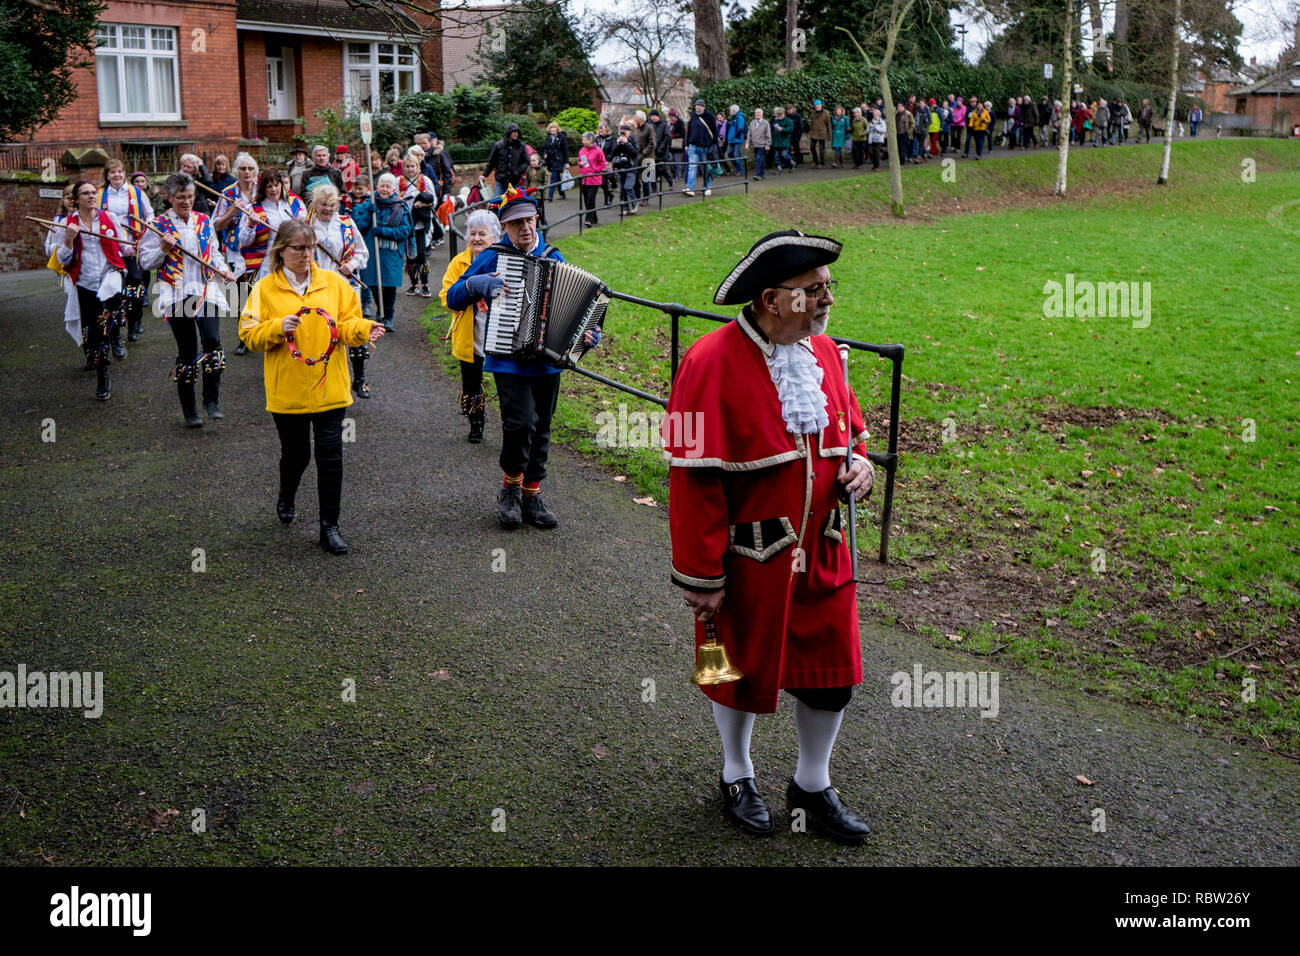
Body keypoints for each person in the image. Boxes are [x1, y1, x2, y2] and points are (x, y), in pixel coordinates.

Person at [666, 230, 874, 843]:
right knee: (731, 669)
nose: (826, 299)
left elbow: (852, 431)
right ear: (769, 298)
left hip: (827, 550)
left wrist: (858, 463)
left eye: (828, 288)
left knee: (834, 672)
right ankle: (737, 773)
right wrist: (702, 576)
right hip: (747, 559)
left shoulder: (827, 354)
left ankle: (812, 783)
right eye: (813, 291)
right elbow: (690, 477)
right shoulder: (706, 361)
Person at [444, 186, 599, 530]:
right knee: (520, 423)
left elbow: (577, 311)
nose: (525, 228)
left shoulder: (554, 257)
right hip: (506, 357)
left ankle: (532, 493)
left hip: (546, 359)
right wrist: (476, 284)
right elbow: (453, 298)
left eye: (529, 220)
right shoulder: (492, 256)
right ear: (505, 227)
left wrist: (588, 334)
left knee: (542, 426)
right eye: (516, 224)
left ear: (536, 219)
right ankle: (510, 489)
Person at [239, 220, 383, 555]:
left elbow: (345, 325)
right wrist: (277, 326)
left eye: (310, 248)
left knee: (331, 456)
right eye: (298, 249)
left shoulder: (333, 283)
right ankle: (287, 495)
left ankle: (329, 527)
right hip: (286, 391)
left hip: (330, 387)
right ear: (281, 251)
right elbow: (248, 335)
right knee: (296, 454)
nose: (306, 255)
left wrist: (363, 329)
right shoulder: (264, 289)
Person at [137, 172, 237, 426]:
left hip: (206, 289)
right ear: (169, 198)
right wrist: (163, 248)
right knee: (188, 351)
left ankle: (211, 400)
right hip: (176, 292)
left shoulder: (203, 221)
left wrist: (223, 269)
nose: (186, 201)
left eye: (190, 196)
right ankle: (190, 410)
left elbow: (212, 253)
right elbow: (145, 262)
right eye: (181, 197)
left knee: (213, 342)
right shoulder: (157, 225)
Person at [55, 179, 129, 401]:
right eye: (85, 193)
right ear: (76, 200)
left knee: (113, 314)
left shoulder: (110, 218)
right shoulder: (67, 223)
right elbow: (62, 259)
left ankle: (116, 334)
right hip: (85, 282)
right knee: (95, 334)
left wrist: (135, 247)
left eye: (93, 192)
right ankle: (102, 375)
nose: (91, 196)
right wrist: (69, 239)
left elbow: (124, 246)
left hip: (110, 275)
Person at [439, 209, 500, 443]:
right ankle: (476, 424)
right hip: (470, 335)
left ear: (494, 237)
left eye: (482, 234)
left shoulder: (503, 261)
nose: (476, 238)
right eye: (472, 233)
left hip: (498, 334)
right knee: (471, 385)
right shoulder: (459, 263)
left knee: (505, 384)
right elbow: (446, 297)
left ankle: (511, 424)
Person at [308, 184, 371, 398]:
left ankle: (360, 380)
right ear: (315, 204)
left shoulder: (346, 223)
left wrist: (351, 265)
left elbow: (362, 252)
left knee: (354, 330)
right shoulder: (306, 225)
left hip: (346, 285)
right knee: (323, 333)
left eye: (332, 204)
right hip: (316, 287)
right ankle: (322, 378)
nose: (328, 208)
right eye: (323, 204)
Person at [97, 158, 152, 355]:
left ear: (124, 173)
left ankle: (135, 320)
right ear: (107, 175)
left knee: (135, 283)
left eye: (120, 172)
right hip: (111, 248)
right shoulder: (100, 195)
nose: (117, 175)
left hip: (132, 244)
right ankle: (116, 329)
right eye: (113, 172)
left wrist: (145, 233)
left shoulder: (136, 192)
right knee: (114, 290)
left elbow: (150, 214)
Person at [212, 152, 260, 354]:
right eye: (242, 168)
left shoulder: (264, 190)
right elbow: (215, 224)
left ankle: (264, 332)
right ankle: (245, 337)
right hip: (236, 251)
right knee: (239, 295)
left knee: (260, 293)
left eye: (250, 168)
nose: (247, 172)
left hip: (260, 250)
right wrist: (232, 211)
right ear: (236, 171)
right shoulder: (228, 193)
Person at [353, 172, 411, 332]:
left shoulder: (400, 207)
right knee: (372, 282)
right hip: (372, 250)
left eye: (388, 186)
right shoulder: (367, 204)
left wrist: (383, 231)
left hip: (391, 253)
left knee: (390, 285)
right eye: (382, 185)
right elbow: (357, 226)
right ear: (376, 187)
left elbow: (405, 231)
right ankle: (380, 308)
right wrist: (367, 213)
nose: (385, 189)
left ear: (394, 189)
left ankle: (388, 317)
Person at [238, 169, 307, 284]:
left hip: (295, 259)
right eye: (269, 186)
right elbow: (244, 241)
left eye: (276, 185)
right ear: (263, 188)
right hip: (268, 262)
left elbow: (306, 228)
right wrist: (251, 225)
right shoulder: (253, 209)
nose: (274, 189)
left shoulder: (294, 203)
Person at [399, 153, 437, 297]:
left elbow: (434, 200)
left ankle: (425, 284)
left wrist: (423, 204)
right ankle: (413, 284)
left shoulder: (424, 180)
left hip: (420, 225)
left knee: (421, 256)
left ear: (418, 166)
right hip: (406, 225)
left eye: (413, 166)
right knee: (410, 257)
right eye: (407, 166)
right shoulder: (399, 181)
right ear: (403, 167)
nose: (410, 169)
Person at [483, 122, 530, 198]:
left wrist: (517, 172)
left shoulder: (521, 146)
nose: (516, 134)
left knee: (513, 204)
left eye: (517, 132)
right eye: (514, 132)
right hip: (500, 180)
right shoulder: (498, 145)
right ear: (509, 133)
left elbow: (526, 161)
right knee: (498, 203)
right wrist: (484, 175)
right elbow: (492, 162)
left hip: (514, 181)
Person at [683, 99, 717, 197]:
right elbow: (689, 131)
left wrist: (713, 146)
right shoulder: (693, 116)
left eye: (699, 106)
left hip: (705, 147)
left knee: (706, 168)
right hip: (693, 146)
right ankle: (690, 188)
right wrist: (686, 144)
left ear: (703, 107)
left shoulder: (710, 117)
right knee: (692, 167)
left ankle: (707, 187)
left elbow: (715, 132)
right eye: (696, 106)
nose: (697, 107)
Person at [610, 120, 640, 215]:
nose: (623, 134)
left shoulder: (633, 140)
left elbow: (635, 153)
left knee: (628, 187)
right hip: (621, 167)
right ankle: (625, 208)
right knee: (622, 189)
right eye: (621, 132)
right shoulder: (619, 140)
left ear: (629, 132)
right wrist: (617, 145)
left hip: (631, 167)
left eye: (625, 132)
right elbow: (613, 154)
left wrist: (627, 143)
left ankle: (634, 204)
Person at [577, 131, 606, 227]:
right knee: (586, 199)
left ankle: (588, 219)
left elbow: (603, 164)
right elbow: (579, 160)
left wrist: (595, 170)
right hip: (584, 178)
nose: (583, 141)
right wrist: (580, 164)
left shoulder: (598, 151)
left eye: (584, 139)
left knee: (590, 199)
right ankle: (594, 217)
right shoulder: (582, 150)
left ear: (590, 140)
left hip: (594, 179)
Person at [542, 121, 569, 202]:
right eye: (551, 128)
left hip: (558, 161)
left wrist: (566, 162)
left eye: (554, 128)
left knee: (553, 178)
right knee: (557, 179)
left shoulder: (562, 137)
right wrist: (545, 154)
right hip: (550, 161)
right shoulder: (548, 137)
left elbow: (565, 150)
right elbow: (545, 148)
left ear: (557, 129)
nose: (552, 130)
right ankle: (562, 194)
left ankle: (550, 196)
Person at [595, 121, 618, 208]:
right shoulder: (596, 139)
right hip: (597, 163)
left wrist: (608, 159)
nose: (600, 130)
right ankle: (610, 195)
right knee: (599, 182)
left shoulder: (611, 139)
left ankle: (606, 201)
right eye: (599, 129)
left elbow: (614, 150)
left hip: (606, 163)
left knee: (604, 182)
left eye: (602, 129)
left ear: (606, 130)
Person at [747, 107, 771, 180]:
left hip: (762, 144)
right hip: (755, 144)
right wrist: (747, 142)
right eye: (756, 113)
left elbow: (768, 134)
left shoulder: (765, 123)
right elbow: (749, 134)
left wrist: (768, 144)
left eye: (759, 113)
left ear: (762, 114)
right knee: (760, 159)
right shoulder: (752, 123)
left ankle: (757, 175)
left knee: (758, 159)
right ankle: (762, 174)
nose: (757, 114)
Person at [807, 99, 831, 169]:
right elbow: (812, 123)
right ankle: (815, 161)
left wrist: (829, 135)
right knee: (812, 147)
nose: (816, 106)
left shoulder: (826, 113)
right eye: (815, 105)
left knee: (821, 149)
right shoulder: (813, 113)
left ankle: (821, 163)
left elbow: (828, 124)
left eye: (818, 105)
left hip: (822, 133)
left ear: (821, 105)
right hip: (814, 133)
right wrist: (811, 131)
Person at [725, 104, 747, 176]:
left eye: (731, 110)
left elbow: (740, 128)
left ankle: (740, 171)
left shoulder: (739, 117)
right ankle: (738, 168)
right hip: (732, 140)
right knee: (730, 154)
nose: (730, 111)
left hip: (737, 140)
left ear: (734, 111)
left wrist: (735, 136)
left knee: (737, 155)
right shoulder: (733, 118)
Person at [771, 106, 794, 175]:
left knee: (784, 154)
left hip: (785, 141)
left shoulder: (788, 121)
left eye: (780, 114)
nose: (778, 115)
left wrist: (783, 129)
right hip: (776, 141)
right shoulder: (775, 120)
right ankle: (779, 168)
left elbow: (790, 129)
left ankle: (791, 162)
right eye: (777, 114)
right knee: (776, 156)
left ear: (783, 113)